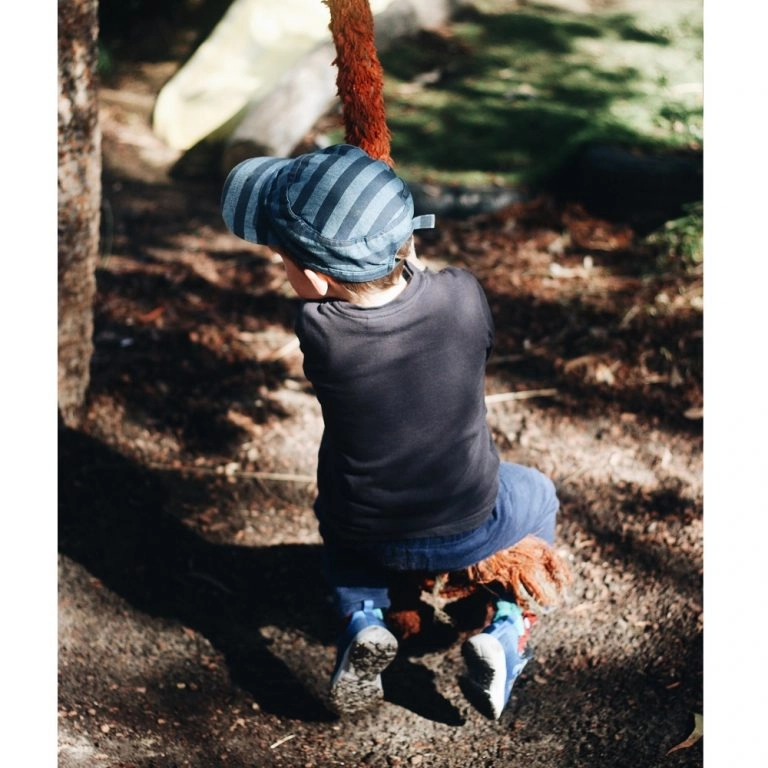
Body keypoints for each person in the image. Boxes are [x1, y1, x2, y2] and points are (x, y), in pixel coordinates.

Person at [221, 144, 561, 720]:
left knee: (340, 532)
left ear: (309, 275)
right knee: (539, 494)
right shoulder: (464, 296)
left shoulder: (321, 334)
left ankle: (362, 617)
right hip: (471, 520)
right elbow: (422, 283)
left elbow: (352, 297)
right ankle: (507, 631)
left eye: (282, 260)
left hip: (368, 529)